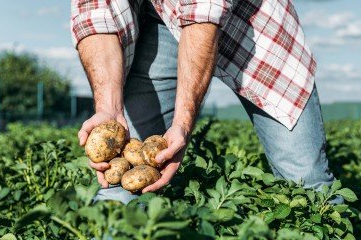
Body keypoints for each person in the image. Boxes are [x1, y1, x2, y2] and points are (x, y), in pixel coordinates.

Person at [70, 0, 342, 204]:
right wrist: (108, 107)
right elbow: (94, 16)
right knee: (124, 177)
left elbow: (202, 15)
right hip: (156, 19)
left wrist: (182, 125)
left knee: (306, 182)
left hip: (251, 23)